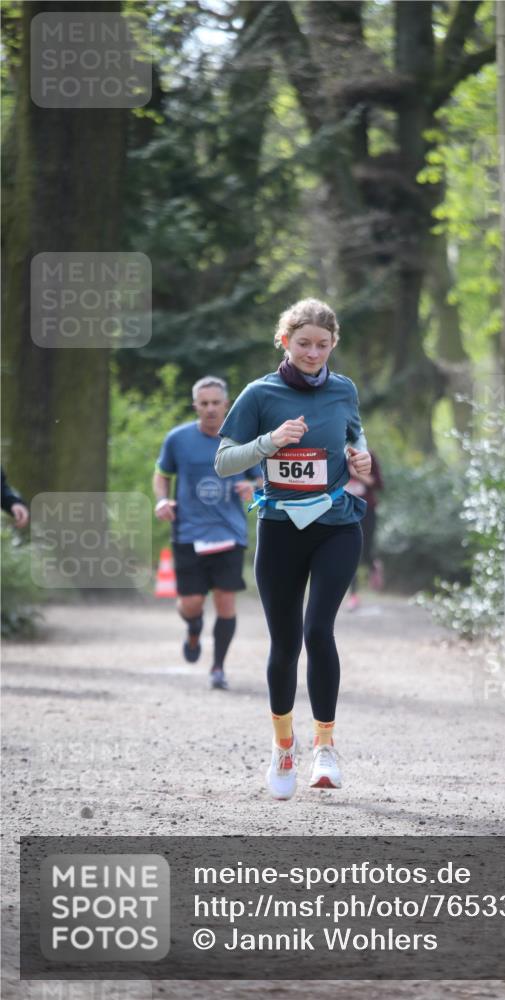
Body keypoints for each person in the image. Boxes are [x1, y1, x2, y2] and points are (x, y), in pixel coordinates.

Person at [214, 298, 371, 800]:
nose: (313, 352)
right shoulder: (260, 393)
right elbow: (223, 462)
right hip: (281, 528)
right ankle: (284, 747)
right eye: (303, 343)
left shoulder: (344, 389)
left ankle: (325, 747)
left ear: (333, 345)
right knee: (285, 646)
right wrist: (268, 442)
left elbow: (354, 432)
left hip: (335, 525)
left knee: (319, 630)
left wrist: (360, 456)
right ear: (285, 341)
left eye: (322, 345)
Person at [153, 376, 261, 691]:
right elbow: (162, 475)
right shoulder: (178, 439)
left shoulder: (242, 440)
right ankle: (193, 627)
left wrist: (251, 486)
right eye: (204, 404)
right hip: (188, 532)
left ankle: (218, 667)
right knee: (191, 604)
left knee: (226, 602)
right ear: (196, 406)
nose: (211, 409)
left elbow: (262, 480)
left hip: (229, 533)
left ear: (226, 405)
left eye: (216, 403)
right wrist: (162, 499)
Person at [345, 449, 384, 611]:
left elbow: (379, 485)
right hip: (346, 510)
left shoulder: (368, 455)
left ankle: (374, 565)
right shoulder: (336, 455)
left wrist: (356, 473)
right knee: (350, 553)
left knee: (365, 551)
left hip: (367, 511)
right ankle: (353, 595)